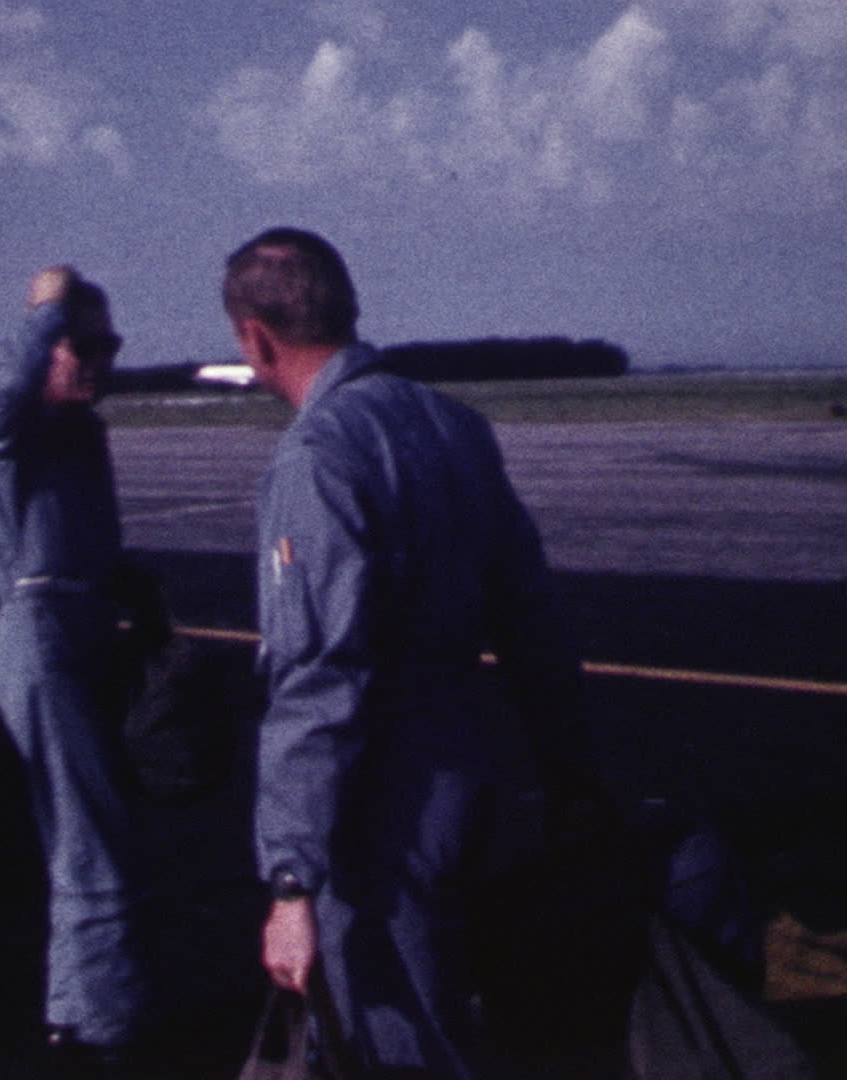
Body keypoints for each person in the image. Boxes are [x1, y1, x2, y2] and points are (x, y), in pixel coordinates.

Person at [225, 227, 594, 1079]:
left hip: (382, 809)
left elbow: (319, 679)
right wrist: (572, 775)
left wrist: (290, 882)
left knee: (402, 1041)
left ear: (256, 337)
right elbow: (533, 623)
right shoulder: (454, 427)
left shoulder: (319, 457)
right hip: (469, 778)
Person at [0, 264, 147, 1074]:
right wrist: (44, 310)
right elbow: (3, 393)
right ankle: (102, 1027)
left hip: (88, 627)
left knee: (92, 833)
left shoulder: (85, 433)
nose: (101, 361)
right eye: (85, 346)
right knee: (89, 839)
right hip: (39, 635)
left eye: (111, 345)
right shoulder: (9, 429)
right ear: (46, 351)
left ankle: (80, 1006)